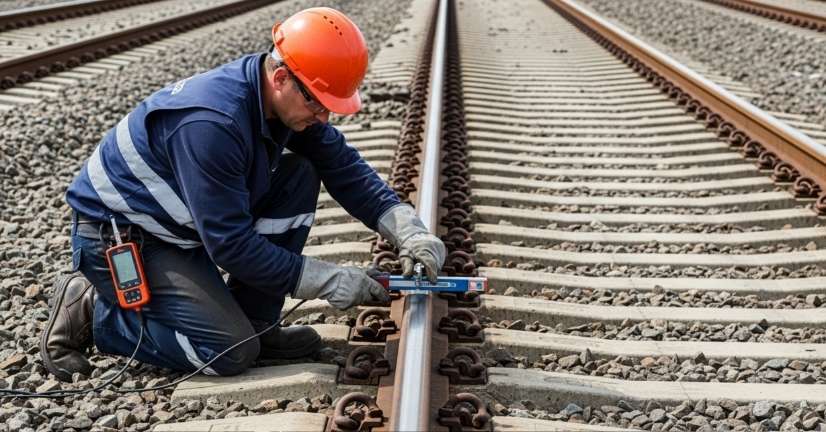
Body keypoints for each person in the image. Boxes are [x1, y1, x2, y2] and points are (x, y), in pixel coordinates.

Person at [39, 7, 445, 382]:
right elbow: (231, 245)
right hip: (123, 236)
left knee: (299, 175)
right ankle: (96, 311)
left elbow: (344, 168)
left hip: (177, 226)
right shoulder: (212, 124)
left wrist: (409, 230)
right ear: (281, 77)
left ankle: (257, 324)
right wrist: (328, 281)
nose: (324, 116)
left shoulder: (276, 101)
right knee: (228, 352)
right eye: (318, 102)